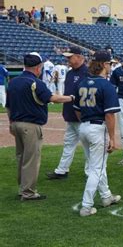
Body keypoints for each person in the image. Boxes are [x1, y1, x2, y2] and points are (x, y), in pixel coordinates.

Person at [6, 52, 74, 200]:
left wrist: (11, 123)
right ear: (38, 67)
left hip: (16, 123)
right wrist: (71, 98)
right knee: (31, 159)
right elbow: (52, 98)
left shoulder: (13, 81)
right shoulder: (35, 83)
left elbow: (8, 106)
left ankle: (22, 188)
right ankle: (28, 192)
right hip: (30, 125)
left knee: (21, 157)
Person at [73, 50, 121, 217]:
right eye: (110, 64)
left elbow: (77, 110)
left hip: (84, 127)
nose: (110, 67)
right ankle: (86, 206)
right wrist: (113, 137)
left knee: (96, 166)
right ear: (104, 64)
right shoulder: (106, 85)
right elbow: (109, 114)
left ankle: (106, 196)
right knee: (97, 169)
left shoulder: (82, 83)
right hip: (97, 128)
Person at [46, 46, 89, 180]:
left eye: (70, 57)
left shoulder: (87, 73)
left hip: (82, 115)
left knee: (88, 146)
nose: (67, 59)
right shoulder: (70, 73)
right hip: (70, 114)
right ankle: (62, 170)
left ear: (79, 57)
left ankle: (91, 172)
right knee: (68, 144)